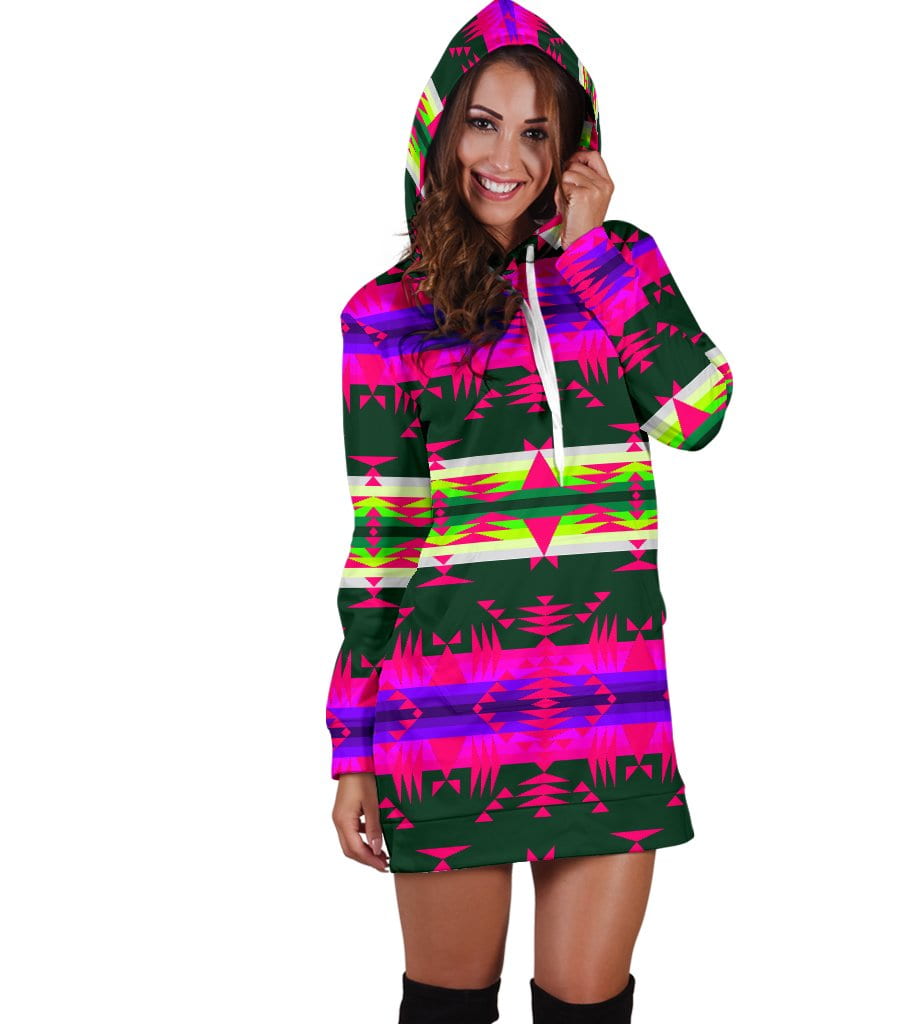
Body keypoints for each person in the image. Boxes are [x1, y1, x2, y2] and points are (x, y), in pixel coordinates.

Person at [326, 2, 734, 1021]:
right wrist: (351, 744)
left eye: (535, 132)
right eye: (482, 122)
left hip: (610, 701)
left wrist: (591, 256)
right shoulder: (384, 314)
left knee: (588, 1007)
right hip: (445, 711)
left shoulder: (622, 263)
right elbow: (384, 533)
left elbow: (696, 415)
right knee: (448, 1010)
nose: (504, 157)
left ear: (571, 149)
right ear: (440, 131)